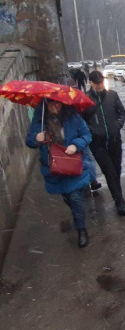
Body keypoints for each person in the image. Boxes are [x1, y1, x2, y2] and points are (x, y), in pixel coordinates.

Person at [25, 99, 96, 248]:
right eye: (51, 104)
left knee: (75, 197)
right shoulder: (40, 120)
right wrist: (36, 138)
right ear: (45, 104)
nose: (54, 107)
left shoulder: (73, 117)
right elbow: (29, 141)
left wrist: (76, 145)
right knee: (67, 198)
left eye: (57, 104)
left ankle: (81, 230)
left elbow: (86, 135)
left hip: (73, 166)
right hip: (54, 169)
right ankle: (79, 215)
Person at [83, 70, 125, 216]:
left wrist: (117, 125)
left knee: (116, 170)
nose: (100, 85)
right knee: (109, 172)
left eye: (101, 82)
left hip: (114, 140)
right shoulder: (85, 99)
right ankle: (119, 200)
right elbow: (81, 121)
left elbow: (122, 112)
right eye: (97, 83)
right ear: (90, 83)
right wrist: (92, 131)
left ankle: (117, 194)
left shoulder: (112, 95)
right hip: (98, 144)